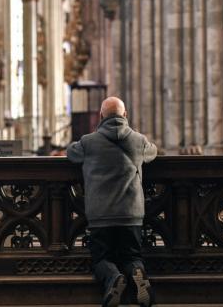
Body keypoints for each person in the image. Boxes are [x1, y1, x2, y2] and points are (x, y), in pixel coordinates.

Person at [67, 96, 157, 307]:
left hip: (101, 215)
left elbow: (71, 153)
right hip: (131, 214)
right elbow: (153, 151)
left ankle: (113, 277)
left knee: (101, 258)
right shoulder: (138, 140)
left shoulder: (88, 142)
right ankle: (137, 272)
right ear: (125, 115)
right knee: (132, 255)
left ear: (100, 117)